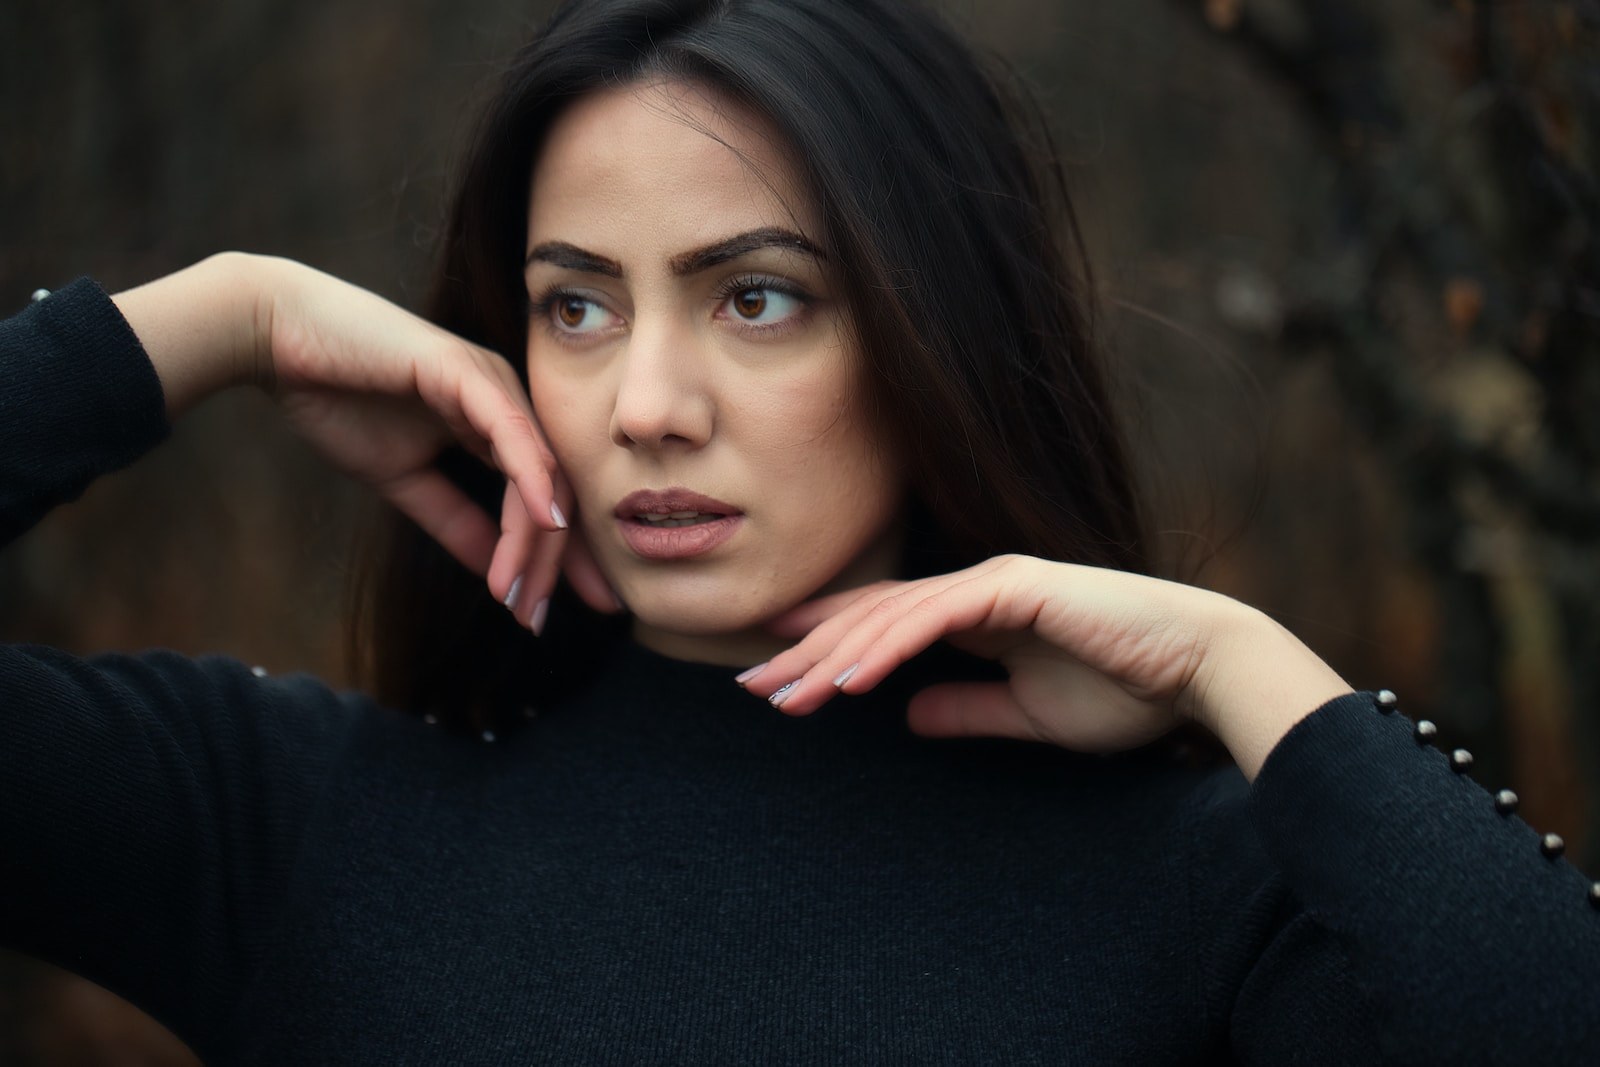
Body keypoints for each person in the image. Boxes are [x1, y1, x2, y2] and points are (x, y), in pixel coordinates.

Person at [3, 0, 1597, 1062]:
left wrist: (1239, 667)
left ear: (931, 342)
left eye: (754, 297)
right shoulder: (289, 824)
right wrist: (211, 323)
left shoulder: (1195, 884)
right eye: (576, 305)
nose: (647, 403)